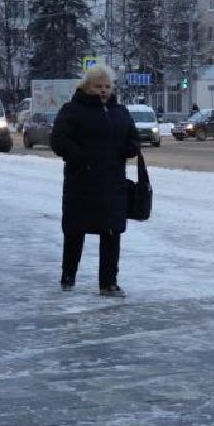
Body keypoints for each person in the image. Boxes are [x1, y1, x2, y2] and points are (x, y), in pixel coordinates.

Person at [50, 64, 139, 297]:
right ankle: (68, 276)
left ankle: (108, 283)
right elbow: (58, 139)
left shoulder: (119, 111)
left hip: (112, 182)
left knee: (111, 232)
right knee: (75, 231)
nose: (103, 91)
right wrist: (79, 157)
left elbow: (133, 136)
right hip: (82, 181)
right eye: (98, 86)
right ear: (87, 86)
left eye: (107, 86)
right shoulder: (73, 110)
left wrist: (131, 147)